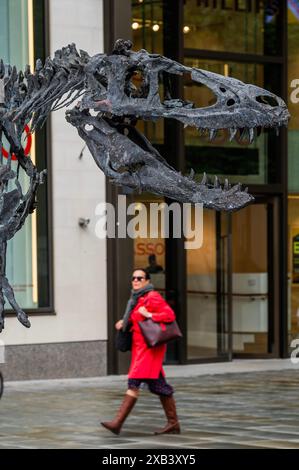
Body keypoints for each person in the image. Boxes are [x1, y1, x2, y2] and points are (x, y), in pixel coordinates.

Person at [101, 268, 180, 435]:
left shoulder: (152, 296)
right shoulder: (137, 298)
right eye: (133, 278)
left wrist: (150, 314)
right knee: (160, 386)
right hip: (141, 349)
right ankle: (173, 423)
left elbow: (169, 315)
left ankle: (117, 423)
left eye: (140, 278)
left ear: (147, 281)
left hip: (149, 350)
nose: (136, 280)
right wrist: (124, 323)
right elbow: (137, 318)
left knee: (133, 382)